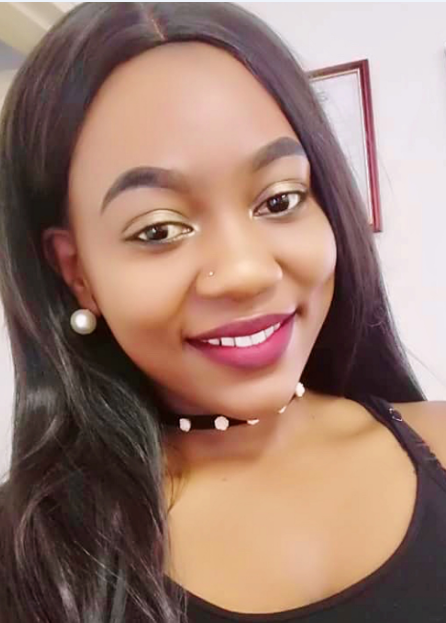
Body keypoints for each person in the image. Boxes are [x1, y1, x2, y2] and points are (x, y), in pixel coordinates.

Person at [0, 2, 445, 622]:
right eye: (158, 230)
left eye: (280, 200)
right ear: (78, 273)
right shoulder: (25, 558)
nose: (246, 272)